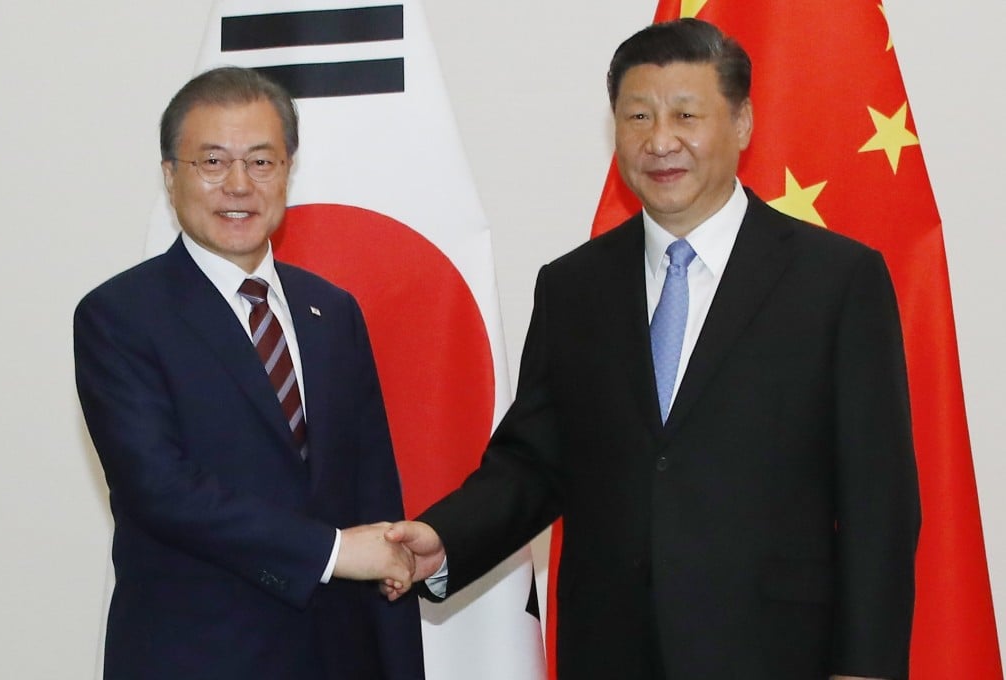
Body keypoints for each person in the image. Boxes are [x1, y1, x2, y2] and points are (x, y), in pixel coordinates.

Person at [383, 19, 919, 680]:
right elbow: (534, 462)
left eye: (686, 115)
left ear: (743, 122)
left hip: (776, 652)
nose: (660, 140)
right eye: (637, 116)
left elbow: (878, 501)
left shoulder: (835, 280)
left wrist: (865, 669)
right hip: (611, 650)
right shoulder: (573, 286)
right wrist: (444, 539)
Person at [74, 67, 424, 680]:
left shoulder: (333, 311)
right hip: (197, 657)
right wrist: (336, 552)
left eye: (261, 162)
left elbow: (374, 491)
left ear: (287, 171)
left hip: (339, 656)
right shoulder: (120, 316)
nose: (239, 185)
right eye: (212, 162)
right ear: (169, 176)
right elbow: (160, 490)